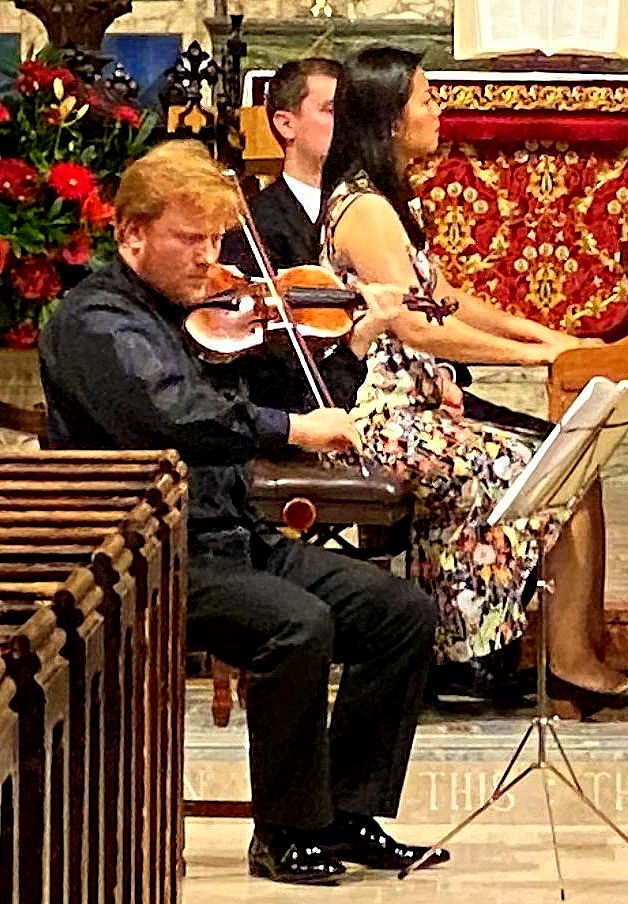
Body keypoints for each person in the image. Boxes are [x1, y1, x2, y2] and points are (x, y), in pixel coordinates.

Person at [38, 139, 448, 886]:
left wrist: (356, 335)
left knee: (398, 612)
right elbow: (176, 417)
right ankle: (284, 832)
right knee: (297, 627)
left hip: (234, 535)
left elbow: (292, 379)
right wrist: (288, 430)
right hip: (148, 558)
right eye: (187, 239)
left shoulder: (199, 310)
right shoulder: (95, 322)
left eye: (217, 239)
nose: (207, 257)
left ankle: (347, 813)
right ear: (132, 234)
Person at [316, 45, 628, 713]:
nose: (438, 109)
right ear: (392, 119)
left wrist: (548, 336)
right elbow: (419, 330)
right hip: (388, 422)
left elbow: (444, 296)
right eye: (426, 98)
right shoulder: (363, 209)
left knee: (573, 462)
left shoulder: (390, 201)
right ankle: (554, 661)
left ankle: (578, 653)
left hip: (424, 410)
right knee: (553, 470)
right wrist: (535, 360)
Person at [220, 57, 342, 273]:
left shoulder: (370, 203)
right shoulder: (253, 224)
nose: (347, 121)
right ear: (286, 124)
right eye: (331, 110)